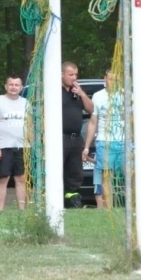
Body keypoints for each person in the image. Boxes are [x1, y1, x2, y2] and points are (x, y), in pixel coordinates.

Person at [84, 72, 126, 209]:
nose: (113, 82)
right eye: (110, 79)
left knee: (129, 173)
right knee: (106, 175)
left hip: (123, 141)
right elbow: (92, 122)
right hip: (104, 141)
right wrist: (86, 146)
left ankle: (132, 205)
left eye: (116, 79)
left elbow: (133, 119)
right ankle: (109, 208)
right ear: (105, 79)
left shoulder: (126, 95)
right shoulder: (98, 96)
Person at [0, 76, 29, 211]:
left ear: (21, 87)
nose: (14, 87)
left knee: (21, 178)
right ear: (6, 86)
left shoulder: (26, 103)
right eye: (11, 84)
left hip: (23, 146)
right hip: (4, 146)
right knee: (3, 178)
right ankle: (0, 209)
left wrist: (32, 144)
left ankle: (21, 209)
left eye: (17, 85)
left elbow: (31, 125)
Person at [58, 62, 93, 208]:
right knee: (58, 169)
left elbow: (91, 109)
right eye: (70, 74)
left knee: (75, 171)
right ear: (61, 74)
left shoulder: (76, 91)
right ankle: (55, 199)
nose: (74, 78)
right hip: (60, 137)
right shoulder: (55, 90)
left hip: (76, 138)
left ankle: (72, 200)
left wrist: (82, 94)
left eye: (76, 75)